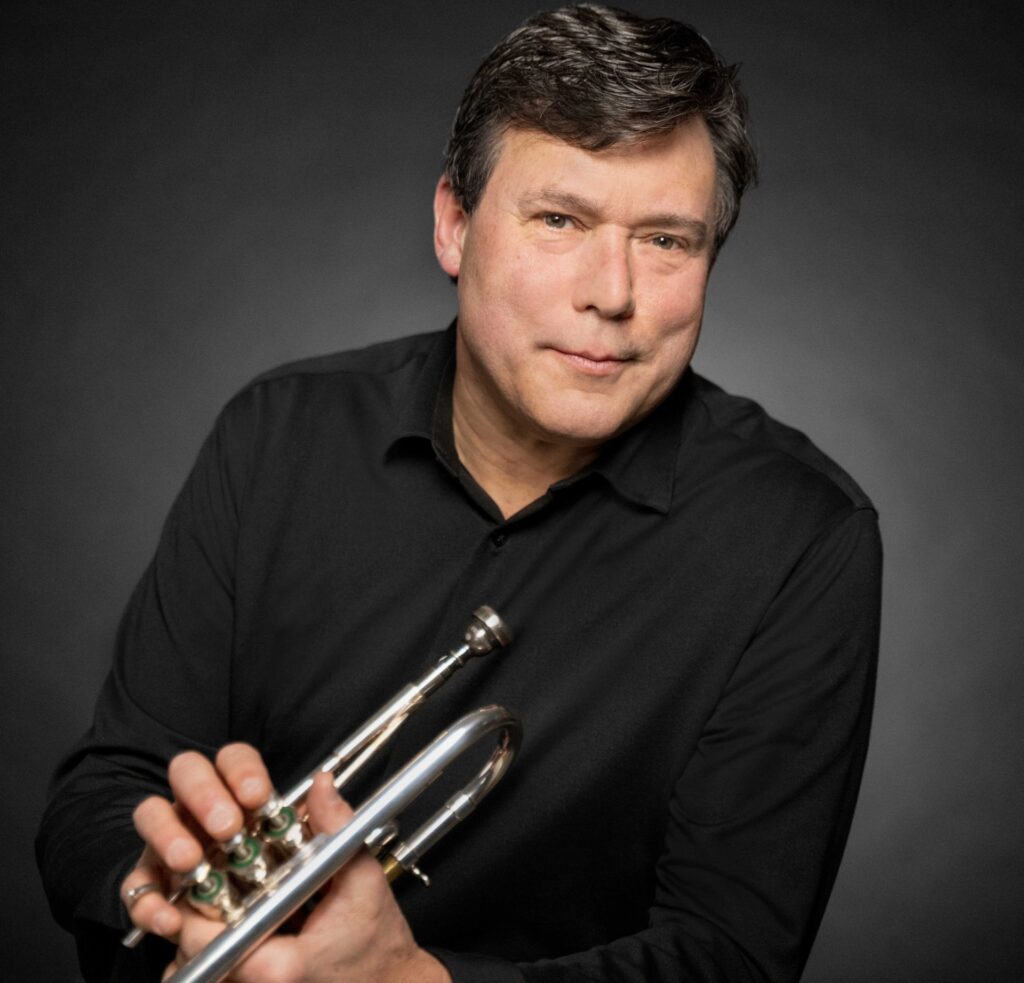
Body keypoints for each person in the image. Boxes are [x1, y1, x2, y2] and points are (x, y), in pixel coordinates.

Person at [36, 5, 881, 982]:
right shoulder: (278, 434)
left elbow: (730, 954)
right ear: (454, 223)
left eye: (665, 240)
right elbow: (105, 790)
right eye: (559, 220)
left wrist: (417, 981)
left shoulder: (800, 537)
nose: (612, 292)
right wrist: (156, 889)